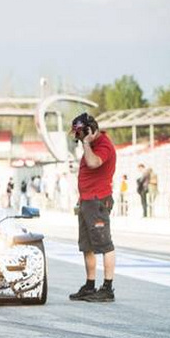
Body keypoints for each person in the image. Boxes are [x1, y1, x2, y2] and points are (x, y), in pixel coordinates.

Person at [68, 113, 116, 302]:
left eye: (79, 133)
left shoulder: (103, 145)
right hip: (87, 201)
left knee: (105, 244)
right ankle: (90, 286)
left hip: (97, 201)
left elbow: (94, 163)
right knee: (86, 246)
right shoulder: (92, 145)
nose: (77, 137)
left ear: (89, 130)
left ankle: (108, 288)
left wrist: (87, 143)